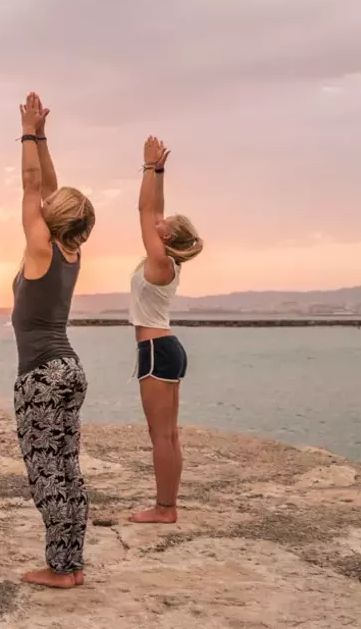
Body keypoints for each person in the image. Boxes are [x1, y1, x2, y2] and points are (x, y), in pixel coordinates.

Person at [11, 93, 95, 589]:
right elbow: (52, 190)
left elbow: (32, 186)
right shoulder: (68, 247)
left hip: (41, 375)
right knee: (66, 468)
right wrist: (43, 137)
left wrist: (25, 133)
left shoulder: (41, 247)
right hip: (69, 371)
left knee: (47, 473)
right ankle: (72, 563)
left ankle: (61, 570)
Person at [129, 137, 204, 524]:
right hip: (168, 347)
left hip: (156, 350)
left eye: (165, 224)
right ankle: (169, 507)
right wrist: (159, 171)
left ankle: (163, 509)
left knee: (161, 435)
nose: (159, 221)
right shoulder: (168, 260)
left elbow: (144, 209)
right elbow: (154, 207)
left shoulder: (160, 262)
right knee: (170, 435)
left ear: (167, 238)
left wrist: (145, 168)